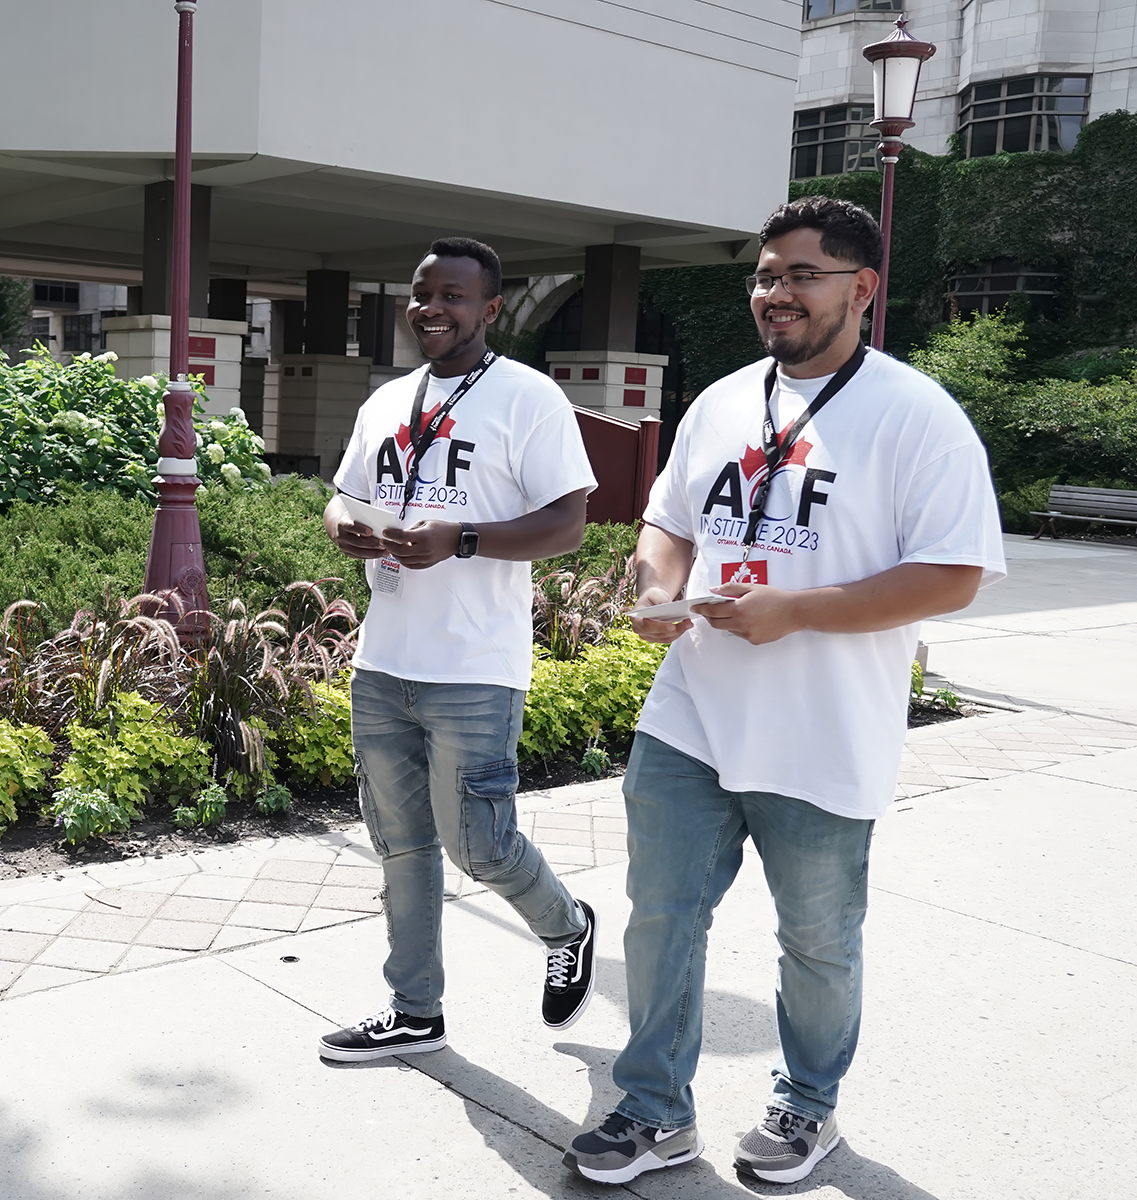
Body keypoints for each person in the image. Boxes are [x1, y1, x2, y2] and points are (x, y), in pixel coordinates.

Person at [566, 197, 1006, 1186]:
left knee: (815, 941)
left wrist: (799, 611)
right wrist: (654, 586)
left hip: (821, 735)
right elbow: (668, 520)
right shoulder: (722, 401)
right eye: (766, 275)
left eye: (801, 275)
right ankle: (652, 1111)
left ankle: (808, 1108)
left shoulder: (917, 417)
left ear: (862, 288)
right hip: (694, 716)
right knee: (660, 916)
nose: (776, 293)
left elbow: (954, 574)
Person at [316, 237, 601, 1062]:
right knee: (399, 845)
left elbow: (568, 523)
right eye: (420, 293)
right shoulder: (387, 401)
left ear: (490, 308)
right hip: (385, 660)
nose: (432, 309)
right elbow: (347, 500)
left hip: (475, 667)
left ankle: (567, 923)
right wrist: (349, 532)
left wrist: (461, 539)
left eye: (453, 296)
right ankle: (414, 1011)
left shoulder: (527, 398)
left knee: (479, 845)